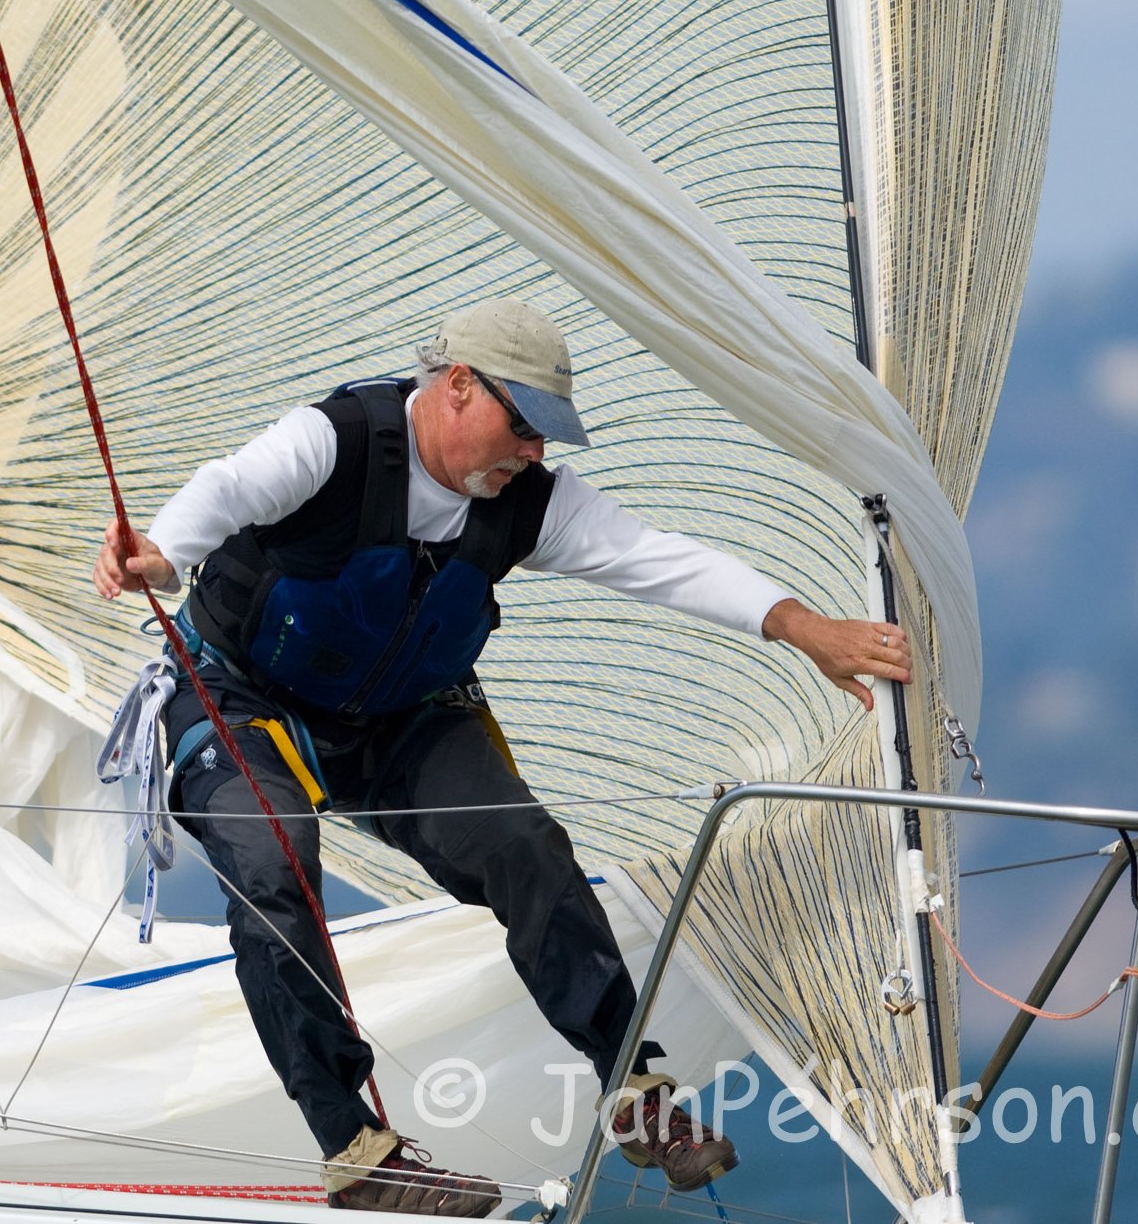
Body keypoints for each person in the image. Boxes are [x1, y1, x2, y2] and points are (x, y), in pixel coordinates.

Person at [92, 299, 912, 1214]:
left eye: (546, 436)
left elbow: (662, 560)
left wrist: (808, 631)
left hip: (401, 722)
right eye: (522, 428)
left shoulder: (531, 503)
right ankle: (356, 1149)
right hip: (238, 699)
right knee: (273, 857)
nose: (532, 453)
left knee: (525, 845)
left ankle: (634, 1094)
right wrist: (162, 552)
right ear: (455, 388)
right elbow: (228, 487)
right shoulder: (334, 442)